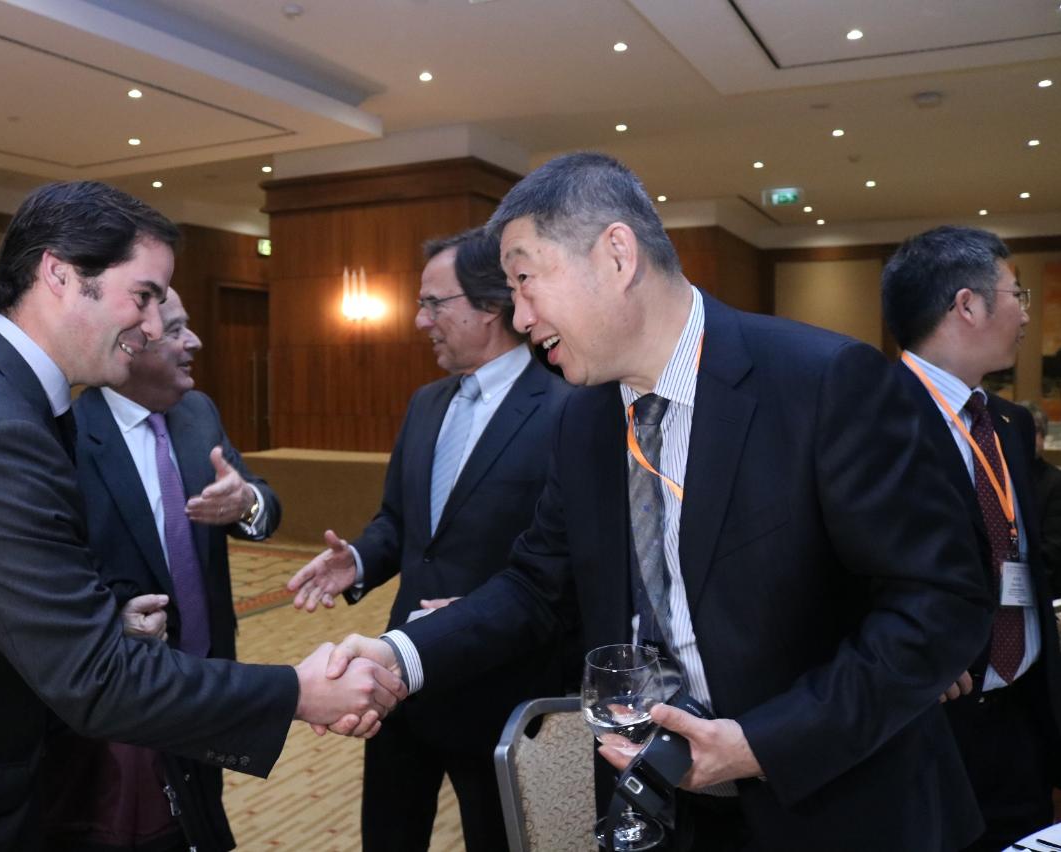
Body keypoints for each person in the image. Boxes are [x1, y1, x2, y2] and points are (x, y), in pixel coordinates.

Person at [325, 153, 993, 851]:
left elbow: (939, 604)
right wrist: (401, 655)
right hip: (660, 802)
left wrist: (761, 743)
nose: (519, 317)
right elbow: (535, 587)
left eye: (524, 281)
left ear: (617, 255)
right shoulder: (583, 419)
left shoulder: (822, 381)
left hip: (833, 807)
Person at [0, 181, 404, 851]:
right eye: (143, 296)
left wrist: (103, 618)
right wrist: (297, 691)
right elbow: (94, 678)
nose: (153, 327)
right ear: (59, 274)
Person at [286, 228, 574, 852]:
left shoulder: (565, 407)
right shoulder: (426, 403)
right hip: (399, 683)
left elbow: (572, 561)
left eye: (434, 303)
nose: (420, 321)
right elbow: (400, 521)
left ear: (491, 305)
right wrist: (359, 559)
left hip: (501, 686)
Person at [41, 287, 280, 852]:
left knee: (203, 817)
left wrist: (245, 502)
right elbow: (54, 572)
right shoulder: (67, 436)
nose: (194, 341)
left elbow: (264, 506)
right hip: (130, 697)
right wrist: (114, 618)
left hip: (208, 678)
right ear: (130, 343)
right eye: (175, 331)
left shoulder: (198, 414)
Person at [882, 226, 1061, 852]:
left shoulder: (1005, 421)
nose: (1025, 313)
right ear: (967, 305)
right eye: (1017, 294)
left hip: (1023, 710)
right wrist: (907, 651)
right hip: (928, 719)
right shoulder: (873, 413)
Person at [1021, 400, 1061, 592]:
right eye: (1022, 430)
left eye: (1035, 430)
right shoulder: (996, 476)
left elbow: (1054, 548)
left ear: (1043, 437)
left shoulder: (1055, 482)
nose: (1027, 437)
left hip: (1041, 587)